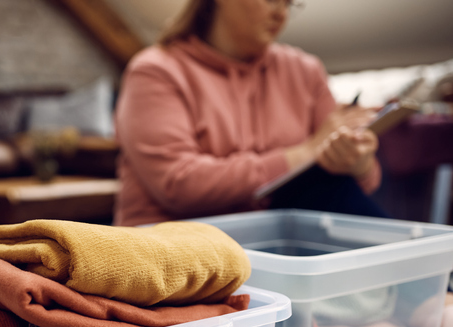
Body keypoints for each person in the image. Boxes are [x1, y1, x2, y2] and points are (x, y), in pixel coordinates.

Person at [113, 0, 387, 227]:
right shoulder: (155, 71)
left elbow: (366, 179)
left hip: (273, 244)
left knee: (333, 189)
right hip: (172, 254)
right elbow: (179, 184)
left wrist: (357, 161)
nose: (281, 12)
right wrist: (306, 152)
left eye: (290, 3)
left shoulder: (305, 71)